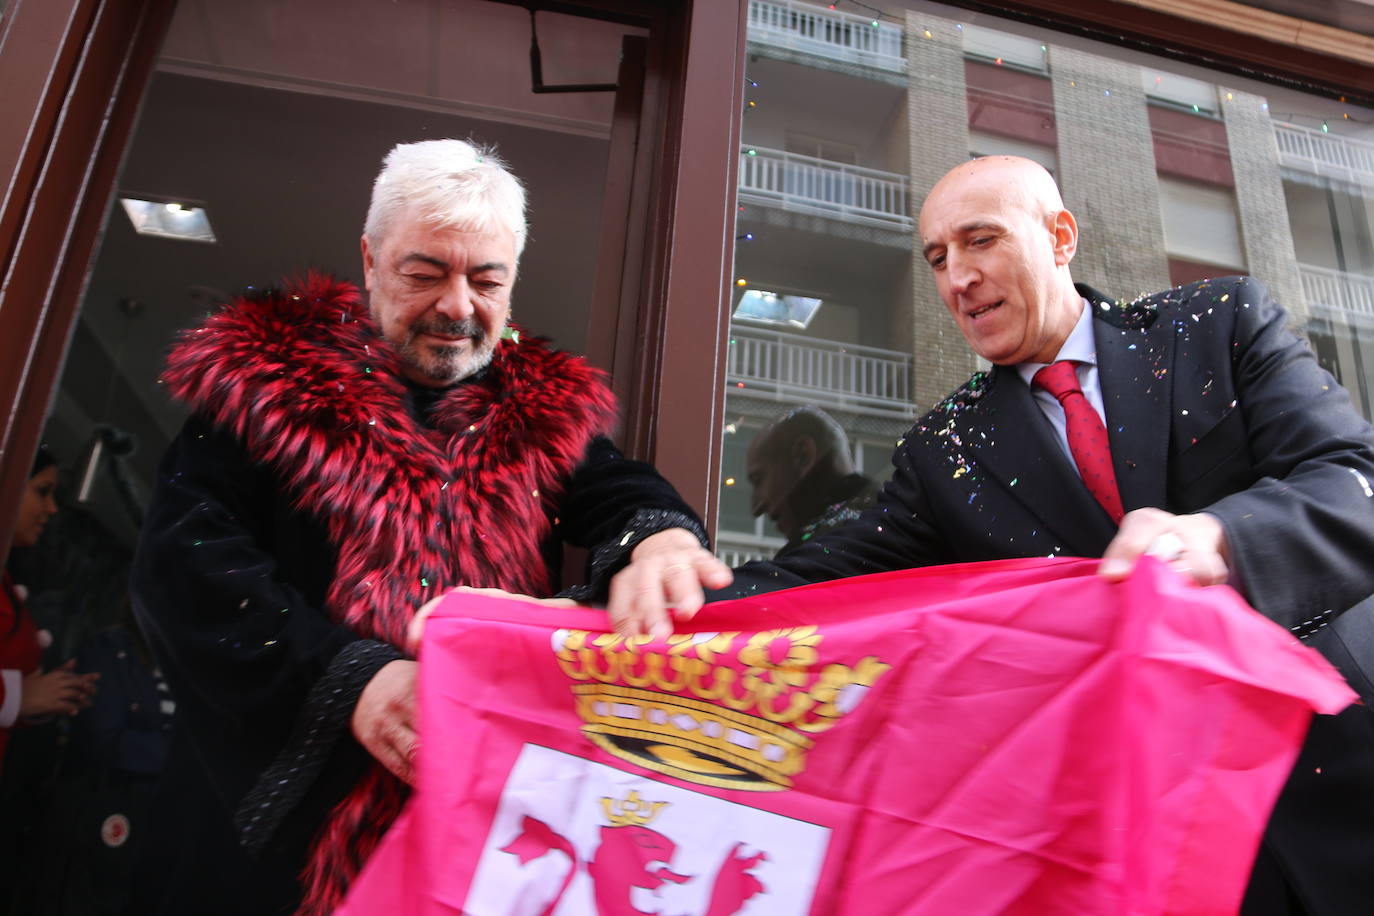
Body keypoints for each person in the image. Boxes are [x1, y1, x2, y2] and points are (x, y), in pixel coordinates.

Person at [613, 155, 1374, 915]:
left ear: (1061, 237)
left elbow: (1352, 478)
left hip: (1338, 773)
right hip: (1147, 843)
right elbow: (815, 583)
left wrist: (1214, 541)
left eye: (981, 241)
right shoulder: (943, 450)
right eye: (938, 258)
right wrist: (630, 591)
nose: (956, 280)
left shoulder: (1216, 324)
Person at [129, 139, 728, 916]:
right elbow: (183, 568)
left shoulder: (542, 408)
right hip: (267, 847)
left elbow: (621, 490)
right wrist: (353, 679)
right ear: (371, 260)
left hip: (467, 833)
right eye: (425, 272)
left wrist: (661, 539)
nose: (457, 306)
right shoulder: (261, 383)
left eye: (486, 280)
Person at [745, 406, 881, 555]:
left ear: (803, 456)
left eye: (759, 480)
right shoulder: (883, 522)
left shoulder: (821, 554)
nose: (757, 509)